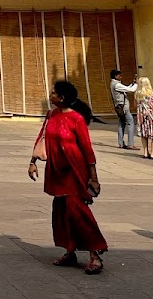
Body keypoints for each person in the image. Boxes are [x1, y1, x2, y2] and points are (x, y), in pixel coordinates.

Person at [28, 81, 107, 275]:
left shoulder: (76, 119)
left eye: (54, 93)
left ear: (62, 98)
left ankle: (95, 253)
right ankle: (70, 251)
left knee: (77, 211)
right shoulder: (51, 115)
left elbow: (87, 150)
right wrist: (32, 162)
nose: (50, 95)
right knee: (61, 211)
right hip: (56, 171)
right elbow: (42, 138)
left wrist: (93, 177)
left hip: (74, 171)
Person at [110, 70, 139, 151]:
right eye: (119, 75)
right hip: (123, 107)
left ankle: (121, 143)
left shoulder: (114, 84)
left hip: (119, 106)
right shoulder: (116, 85)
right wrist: (136, 84)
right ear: (116, 76)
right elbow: (131, 90)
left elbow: (126, 88)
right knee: (130, 123)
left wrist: (132, 84)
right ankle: (130, 144)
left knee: (121, 123)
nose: (121, 77)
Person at [136, 77, 153, 160]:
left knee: (144, 134)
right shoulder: (151, 94)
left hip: (141, 117)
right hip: (151, 117)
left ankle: (145, 152)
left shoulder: (137, 94)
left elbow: (134, 106)